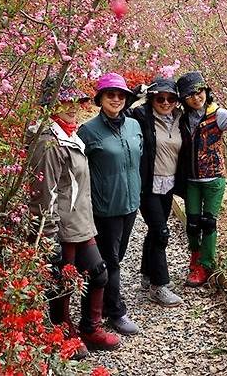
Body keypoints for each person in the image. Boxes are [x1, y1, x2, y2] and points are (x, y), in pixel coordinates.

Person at [27, 76, 120, 356]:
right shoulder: (48, 143)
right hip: (61, 228)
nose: (72, 106)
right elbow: (44, 193)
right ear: (50, 104)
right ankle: (62, 333)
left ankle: (89, 328)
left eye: (75, 101)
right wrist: (49, 238)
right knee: (64, 283)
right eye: (64, 101)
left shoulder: (70, 134)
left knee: (98, 275)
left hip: (81, 224)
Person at [77, 72, 143, 336]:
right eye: (110, 95)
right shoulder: (88, 131)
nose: (116, 99)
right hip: (104, 209)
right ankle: (116, 311)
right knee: (111, 262)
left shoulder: (133, 126)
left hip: (130, 205)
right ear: (100, 98)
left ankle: (102, 301)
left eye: (120, 95)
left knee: (117, 256)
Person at [175, 71, 227, 286]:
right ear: (183, 98)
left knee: (208, 223)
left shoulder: (216, 115)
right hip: (191, 180)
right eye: (189, 94)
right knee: (192, 224)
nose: (196, 97)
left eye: (199, 91)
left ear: (205, 91)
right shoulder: (181, 118)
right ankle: (195, 260)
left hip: (213, 179)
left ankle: (206, 264)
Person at [128, 76, 184, 307]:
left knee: (155, 230)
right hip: (147, 185)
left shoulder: (179, 118)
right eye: (159, 97)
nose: (165, 102)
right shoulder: (141, 116)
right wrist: (135, 93)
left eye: (170, 98)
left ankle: (147, 274)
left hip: (168, 183)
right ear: (151, 98)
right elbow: (118, 111)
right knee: (161, 232)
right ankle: (159, 286)